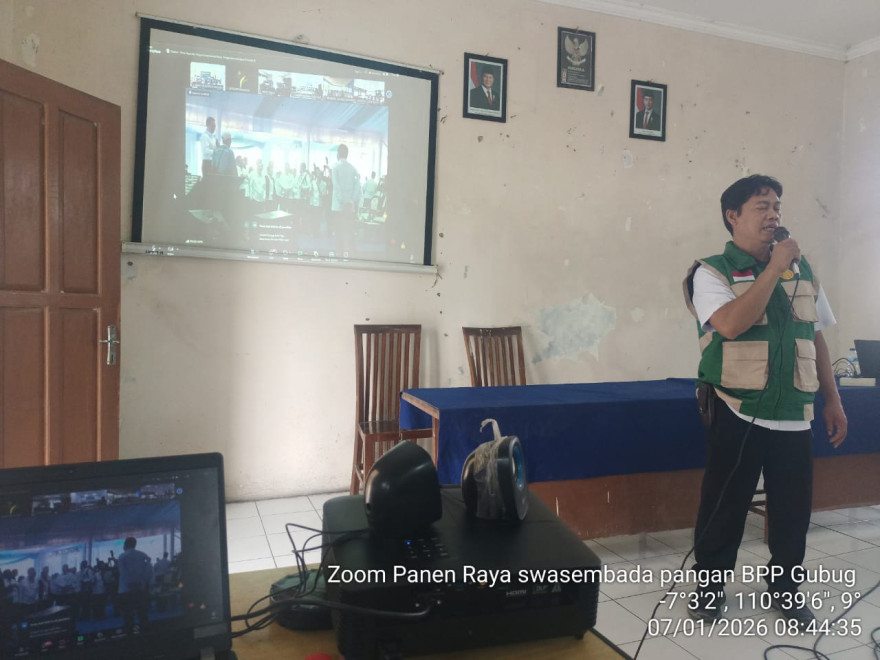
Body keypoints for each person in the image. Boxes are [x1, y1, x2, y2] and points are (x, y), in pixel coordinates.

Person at [682, 174, 847, 628]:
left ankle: (786, 588)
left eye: (777, 206)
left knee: (792, 509)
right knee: (725, 504)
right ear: (733, 216)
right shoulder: (711, 271)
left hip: (794, 409)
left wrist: (833, 399)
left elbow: (815, 337)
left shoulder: (803, 270)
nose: (773, 214)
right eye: (762, 206)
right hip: (736, 404)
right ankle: (710, 588)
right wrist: (773, 268)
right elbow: (731, 325)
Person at [117, 537, 153, 635]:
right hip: (140, 589)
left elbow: (123, 573)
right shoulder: (143, 555)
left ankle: (130, 636)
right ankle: (145, 635)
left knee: (128, 617)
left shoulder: (122, 557)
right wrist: (142, 582)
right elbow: (149, 571)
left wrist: (131, 584)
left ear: (125, 545)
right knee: (142, 615)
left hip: (126, 590)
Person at [331, 144, 361, 256]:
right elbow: (357, 187)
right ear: (347, 154)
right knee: (349, 232)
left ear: (338, 154)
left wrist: (341, 200)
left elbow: (336, 185)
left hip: (338, 207)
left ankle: (339, 256)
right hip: (349, 206)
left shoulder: (335, 167)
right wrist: (351, 200)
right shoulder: (353, 168)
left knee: (338, 233)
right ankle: (351, 256)